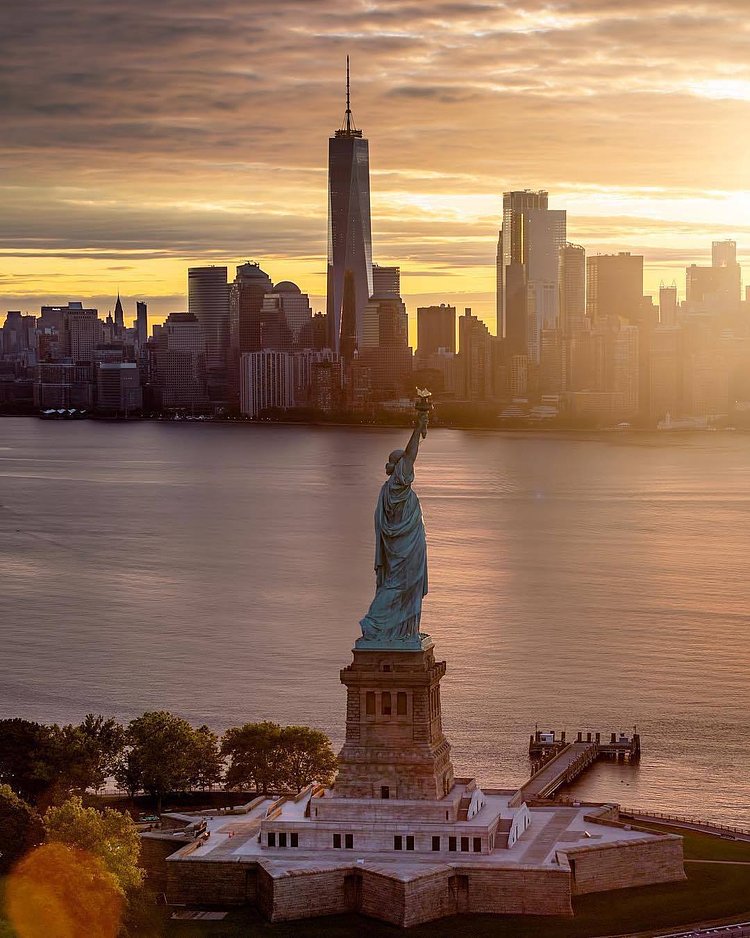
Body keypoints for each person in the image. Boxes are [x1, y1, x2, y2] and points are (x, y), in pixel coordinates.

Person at [359, 409, 429, 644]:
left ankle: (402, 631)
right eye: (406, 465)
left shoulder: (388, 490)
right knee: (400, 584)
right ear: (400, 469)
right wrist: (418, 429)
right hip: (405, 547)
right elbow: (410, 454)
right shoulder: (397, 486)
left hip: (401, 544)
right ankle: (375, 623)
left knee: (402, 585)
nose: (410, 469)